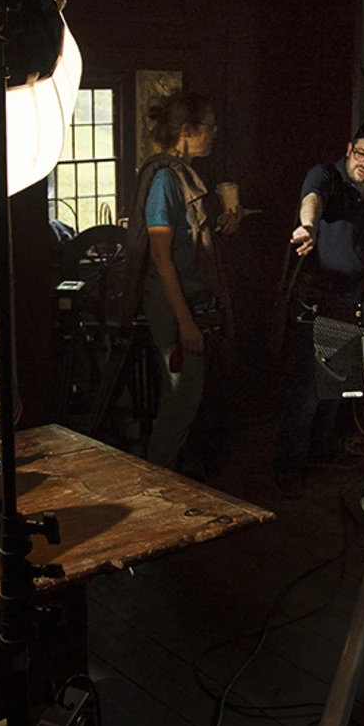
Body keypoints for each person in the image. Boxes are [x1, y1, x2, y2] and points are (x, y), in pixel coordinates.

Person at [272, 120, 364, 497]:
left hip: (351, 298)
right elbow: (313, 199)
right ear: (348, 148)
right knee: (307, 391)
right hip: (318, 298)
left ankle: (322, 455)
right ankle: (289, 468)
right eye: (360, 153)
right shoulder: (325, 175)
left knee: (337, 386)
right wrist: (307, 227)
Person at [122, 91, 238, 474]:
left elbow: (189, 241)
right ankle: (159, 485)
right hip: (173, 309)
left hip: (189, 301)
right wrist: (184, 321)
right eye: (209, 127)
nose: (214, 134)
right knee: (178, 403)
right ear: (188, 131)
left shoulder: (185, 176)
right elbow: (160, 254)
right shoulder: (165, 182)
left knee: (188, 399)